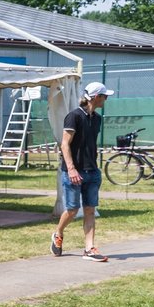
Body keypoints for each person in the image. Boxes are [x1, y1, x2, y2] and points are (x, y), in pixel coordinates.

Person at [52, 82, 113, 262]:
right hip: (74, 172)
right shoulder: (73, 117)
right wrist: (71, 169)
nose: (106, 99)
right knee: (72, 210)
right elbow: (65, 144)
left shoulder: (97, 119)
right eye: (104, 96)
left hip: (92, 172)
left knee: (90, 210)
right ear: (95, 97)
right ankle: (58, 232)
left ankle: (89, 249)